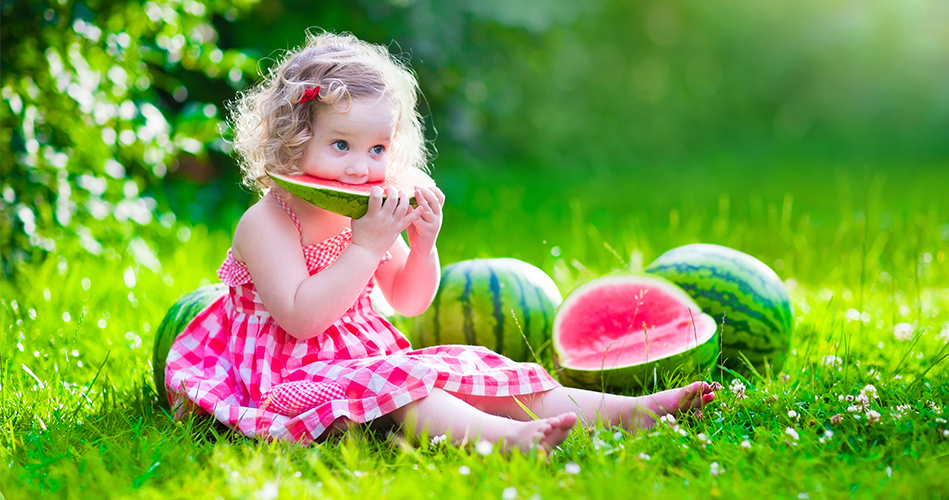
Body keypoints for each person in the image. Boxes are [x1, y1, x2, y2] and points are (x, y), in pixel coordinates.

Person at [164, 31, 715, 453]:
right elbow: (301, 319)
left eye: (377, 149)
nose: (361, 168)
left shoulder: (368, 211)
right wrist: (363, 247)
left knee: (473, 366)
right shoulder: (268, 222)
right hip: (284, 381)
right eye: (340, 145)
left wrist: (422, 245)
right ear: (293, 139)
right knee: (411, 392)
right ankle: (506, 442)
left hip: (366, 362)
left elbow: (408, 301)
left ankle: (629, 410)